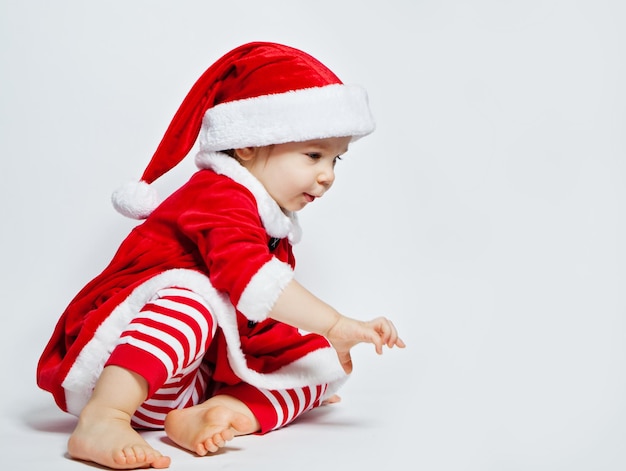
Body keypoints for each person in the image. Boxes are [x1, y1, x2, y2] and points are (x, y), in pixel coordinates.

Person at [37, 41, 405, 470]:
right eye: (313, 155)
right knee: (193, 298)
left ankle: (220, 413)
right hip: (122, 367)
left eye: (336, 159)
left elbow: (259, 320)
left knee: (317, 367)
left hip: (181, 387)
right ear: (248, 144)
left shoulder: (270, 227)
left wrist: (316, 352)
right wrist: (337, 323)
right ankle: (104, 419)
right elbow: (251, 279)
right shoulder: (218, 195)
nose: (327, 176)